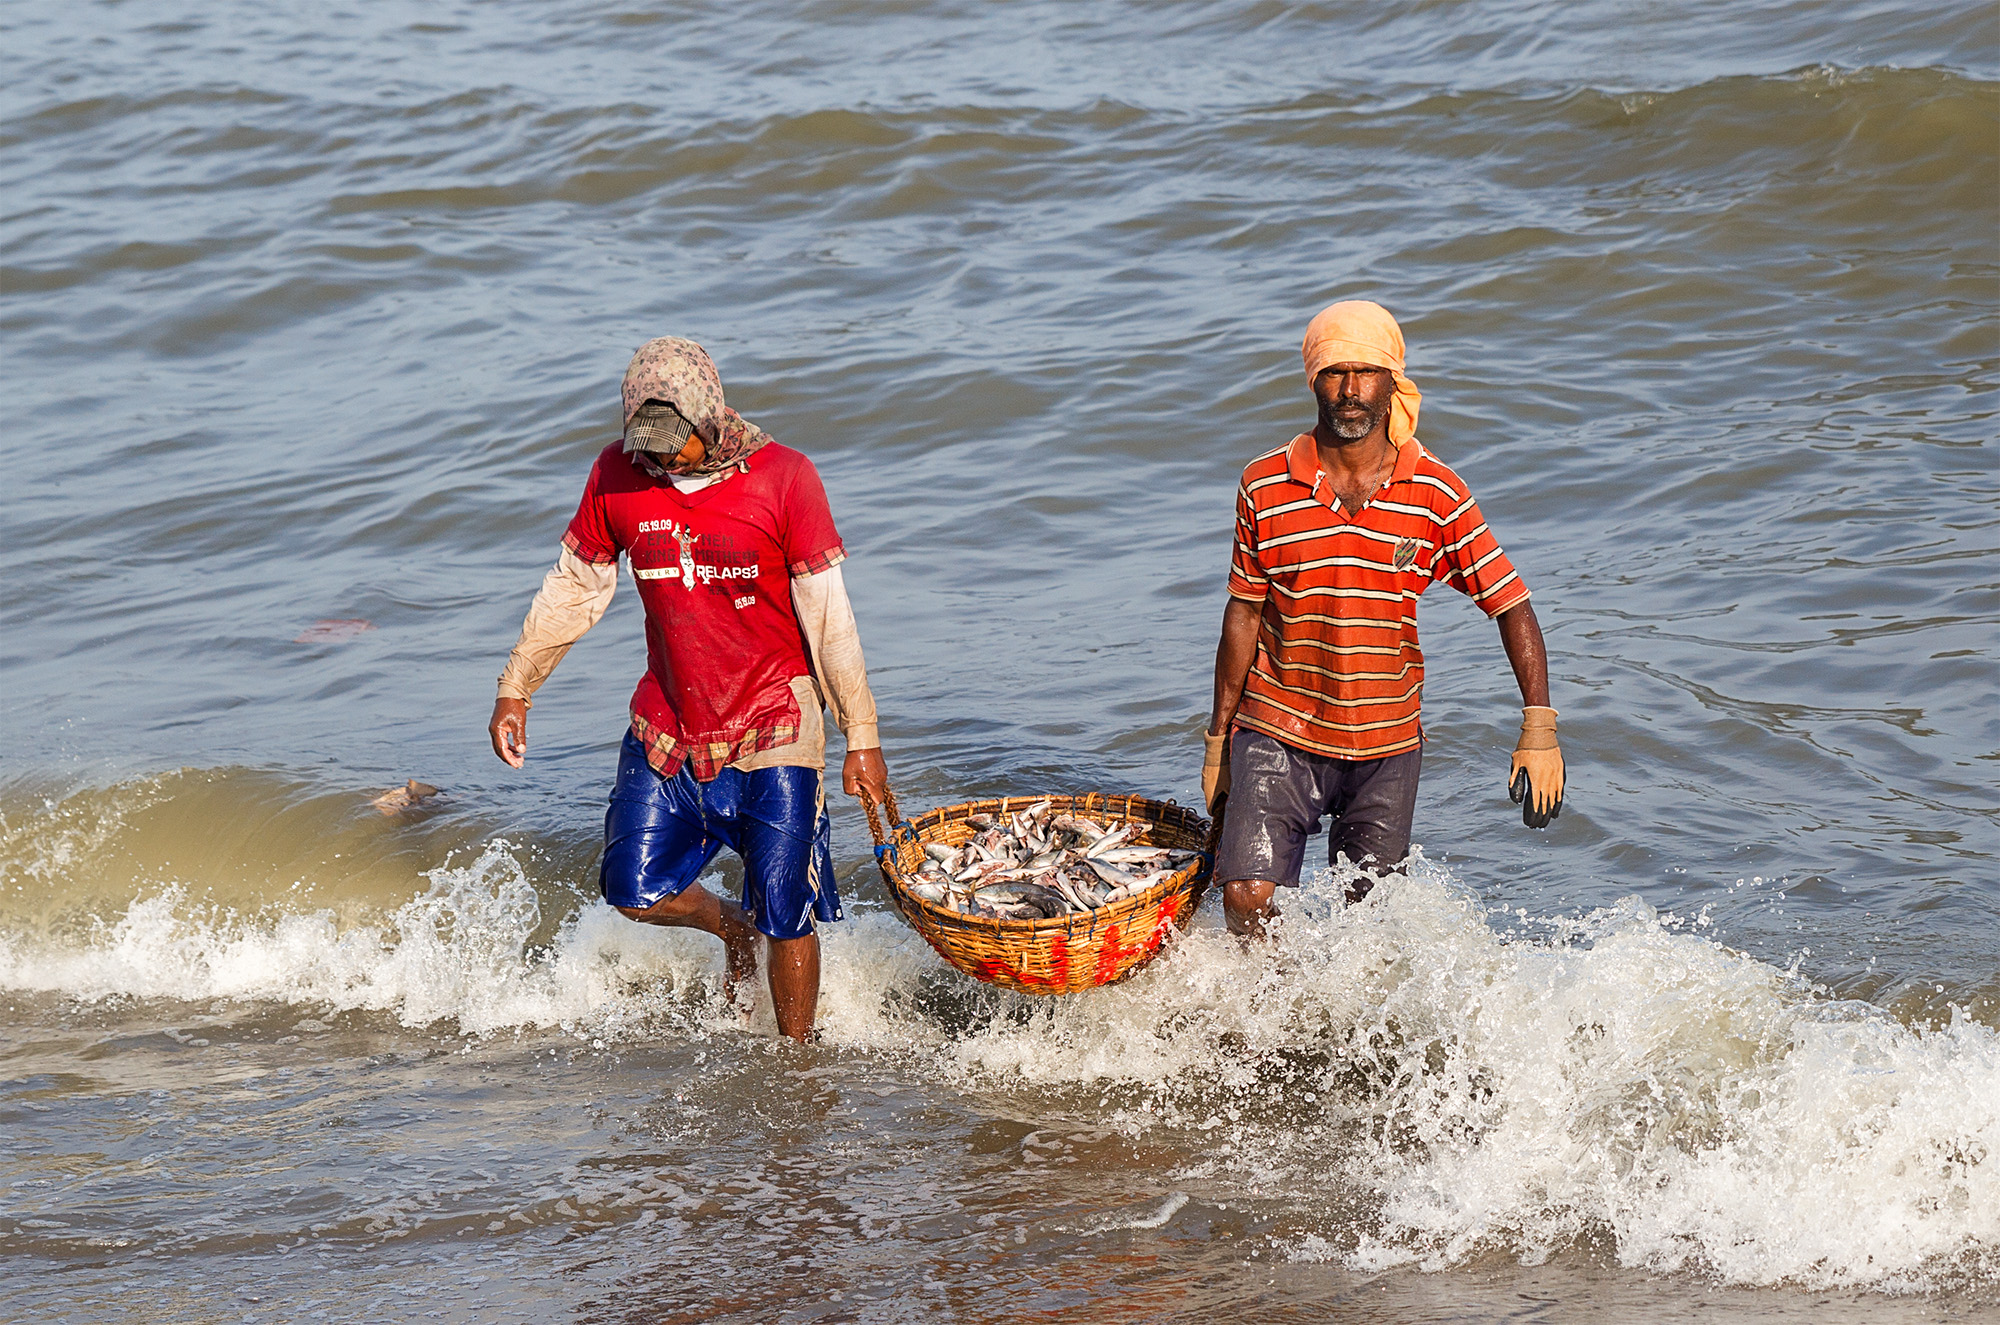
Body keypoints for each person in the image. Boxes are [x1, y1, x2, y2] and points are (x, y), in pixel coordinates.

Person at [487, 337, 888, 1039]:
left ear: (712, 418)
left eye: (677, 446)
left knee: (786, 913)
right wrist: (517, 685)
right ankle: (731, 930)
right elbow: (577, 586)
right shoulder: (616, 475)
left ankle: (796, 1068)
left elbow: (829, 617)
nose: (663, 461)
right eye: (649, 448)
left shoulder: (785, 477)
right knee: (632, 888)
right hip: (670, 723)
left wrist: (863, 735)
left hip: (775, 723)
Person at [1202, 300, 1564, 937]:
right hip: (1279, 727)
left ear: (1392, 380)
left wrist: (1539, 725)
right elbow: (1243, 614)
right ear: (1312, 379)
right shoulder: (1264, 487)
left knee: (1366, 922)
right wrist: (1216, 745)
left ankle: (1330, 1033)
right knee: (1246, 896)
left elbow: (1510, 603)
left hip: (1386, 741)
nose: (1349, 390)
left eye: (1365, 372)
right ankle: (1265, 1022)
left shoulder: (1435, 493)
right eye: (1334, 372)